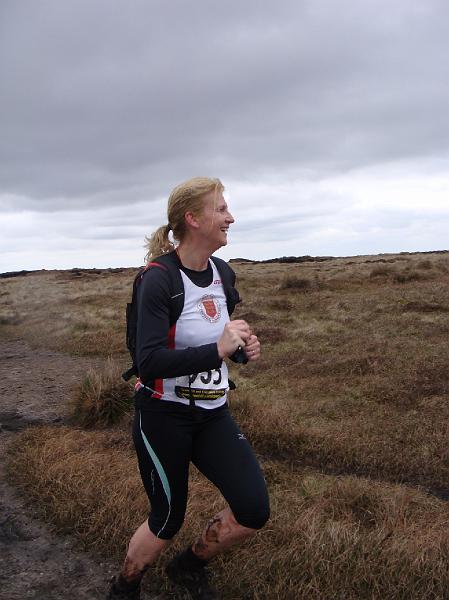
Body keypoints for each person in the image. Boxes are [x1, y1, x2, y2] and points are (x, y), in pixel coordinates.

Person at [108, 177, 270, 600]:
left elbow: (218, 337)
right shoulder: (157, 279)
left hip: (213, 413)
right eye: (220, 209)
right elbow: (149, 362)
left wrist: (239, 348)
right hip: (164, 416)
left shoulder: (223, 272)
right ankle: (125, 587)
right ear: (192, 219)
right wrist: (218, 349)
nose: (230, 217)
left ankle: (188, 565)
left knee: (253, 509)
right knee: (166, 518)